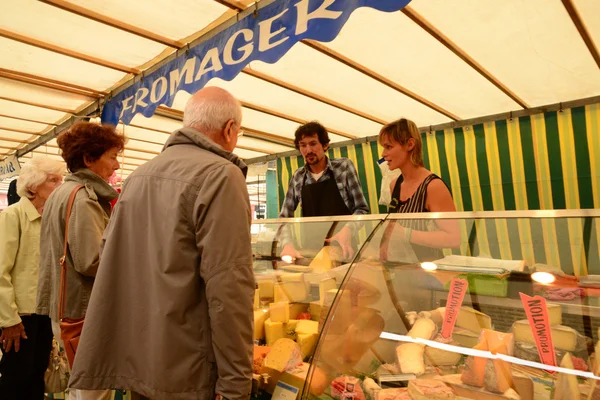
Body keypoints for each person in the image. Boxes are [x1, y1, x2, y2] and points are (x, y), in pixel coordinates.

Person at [69, 87, 255, 400]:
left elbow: (113, 262)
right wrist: (237, 384)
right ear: (229, 130)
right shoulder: (222, 175)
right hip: (189, 369)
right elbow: (229, 286)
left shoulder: (137, 177)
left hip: (142, 360)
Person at [36, 122, 124, 400]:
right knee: (93, 389)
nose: (117, 165)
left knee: (81, 389)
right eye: (111, 156)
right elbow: (91, 261)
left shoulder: (60, 193)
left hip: (65, 308)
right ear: (89, 159)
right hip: (83, 311)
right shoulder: (83, 198)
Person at [0, 157, 65, 400]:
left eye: (61, 179)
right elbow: (1, 271)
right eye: (53, 180)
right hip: (19, 316)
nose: (60, 185)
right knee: (16, 377)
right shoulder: (13, 216)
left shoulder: (52, 219)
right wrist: (9, 320)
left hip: (44, 312)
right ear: (34, 186)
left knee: (37, 375)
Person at [279, 122, 369, 259]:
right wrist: (287, 244)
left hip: (343, 252)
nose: (308, 150)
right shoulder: (298, 177)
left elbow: (362, 210)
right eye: (303, 145)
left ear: (325, 145)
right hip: (311, 254)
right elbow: (284, 217)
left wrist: (349, 229)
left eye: (313, 143)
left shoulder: (344, 167)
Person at [379, 118, 460, 261]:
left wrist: (407, 234)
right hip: (403, 268)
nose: (383, 154)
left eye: (389, 147)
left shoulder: (433, 186)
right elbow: (394, 228)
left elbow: (453, 238)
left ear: (410, 144)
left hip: (430, 271)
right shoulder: (394, 185)